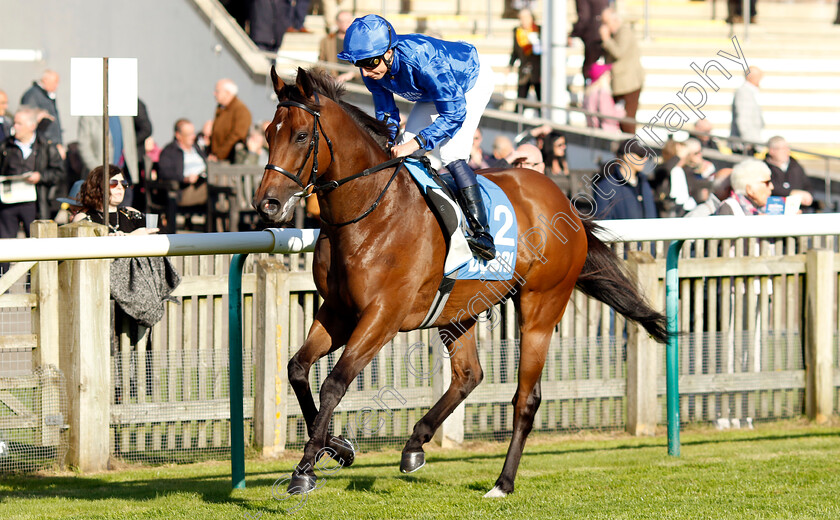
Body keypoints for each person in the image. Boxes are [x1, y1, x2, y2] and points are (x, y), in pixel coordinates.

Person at [338, 14, 497, 260]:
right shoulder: (373, 70)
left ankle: (482, 234)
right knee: (402, 149)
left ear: (388, 53)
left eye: (369, 63)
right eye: (359, 64)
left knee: (450, 153)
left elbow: (454, 113)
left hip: (469, 82)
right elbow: (386, 113)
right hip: (432, 91)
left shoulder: (422, 59)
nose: (365, 72)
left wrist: (417, 142)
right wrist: (388, 142)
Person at [0, 107, 65, 236]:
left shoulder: (46, 145)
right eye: (14, 123)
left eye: (19, 124)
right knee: (6, 244)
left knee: (37, 242)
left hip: (36, 204)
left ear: (32, 126)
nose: (15, 127)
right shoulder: (5, 146)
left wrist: (40, 177)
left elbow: (59, 172)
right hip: (8, 203)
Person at [77, 112, 139, 207]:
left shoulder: (125, 115)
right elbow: (84, 146)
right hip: (101, 177)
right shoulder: (89, 116)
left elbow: (131, 144)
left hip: (124, 175)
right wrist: (98, 172)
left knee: (123, 214)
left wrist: (134, 174)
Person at [599, 8, 644, 134]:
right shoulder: (616, 34)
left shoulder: (625, 32)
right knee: (620, 118)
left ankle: (631, 148)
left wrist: (606, 39)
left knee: (627, 118)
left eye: (606, 23)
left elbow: (619, 52)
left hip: (629, 83)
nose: (603, 27)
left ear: (614, 20)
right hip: (620, 84)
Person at [158, 119, 209, 229]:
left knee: (219, 184)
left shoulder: (196, 148)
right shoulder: (169, 151)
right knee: (217, 190)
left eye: (193, 133)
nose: (193, 137)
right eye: (189, 134)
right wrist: (185, 178)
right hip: (184, 190)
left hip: (203, 183)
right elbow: (164, 173)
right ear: (178, 135)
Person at [593, 139, 657, 220]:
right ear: (627, 157)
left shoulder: (644, 183)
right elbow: (602, 222)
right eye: (641, 155)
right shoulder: (606, 187)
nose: (645, 159)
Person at [763, 136, 814, 210]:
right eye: (782, 148)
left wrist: (808, 195)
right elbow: (769, 188)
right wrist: (791, 193)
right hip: (775, 209)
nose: (787, 151)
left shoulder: (795, 165)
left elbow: (807, 184)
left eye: (787, 148)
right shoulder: (764, 168)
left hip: (800, 210)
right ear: (771, 151)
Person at [20, 70, 63, 156]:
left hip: (52, 145)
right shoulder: (32, 95)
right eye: (55, 82)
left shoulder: (47, 95)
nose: (57, 86)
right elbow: (28, 119)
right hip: (43, 146)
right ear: (45, 80)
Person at [210, 79, 252, 163]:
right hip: (218, 159)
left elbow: (237, 135)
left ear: (228, 93)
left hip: (230, 161)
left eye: (217, 91)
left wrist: (219, 155)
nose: (214, 94)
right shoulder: (221, 108)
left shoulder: (241, 110)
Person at [509, 8, 542, 114]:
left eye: (526, 18)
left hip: (538, 69)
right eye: (522, 18)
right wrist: (510, 64)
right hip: (524, 69)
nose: (524, 21)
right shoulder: (517, 32)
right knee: (521, 97)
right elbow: (515, 50)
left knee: (541, 97)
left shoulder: (539, 30)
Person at [569, 0, 609, 81]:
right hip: (604, 32)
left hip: (592, 35)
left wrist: (573, 34)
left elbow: (584, 17)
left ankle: (591, 90)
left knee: (589, 70)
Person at [730, 67, 764, 156]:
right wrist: (748, 142)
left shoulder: (748, 92)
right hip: (745, 145)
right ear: (752, 77)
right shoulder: (744, 93)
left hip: (748, 143)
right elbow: (743, 119)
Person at [582, 63, 623, 132]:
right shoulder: (602, 93)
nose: (610, 77)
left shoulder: (589, 92)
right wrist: (620, 111)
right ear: (601, 77)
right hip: (606, 132)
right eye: (607, 75)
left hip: (593, 130)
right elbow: (608, 117)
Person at [318, 10, 357, 84]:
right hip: (334, 80)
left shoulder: (359, 40)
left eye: (347, 21)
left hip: (355, 79)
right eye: (341, 21)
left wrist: (351, 74)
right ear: (336, 22)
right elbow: (321, 62)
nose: (344, 23)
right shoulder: (327, 41)